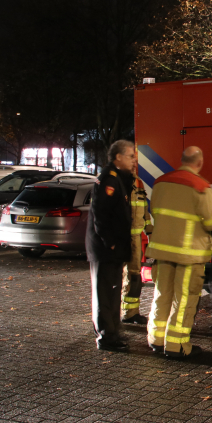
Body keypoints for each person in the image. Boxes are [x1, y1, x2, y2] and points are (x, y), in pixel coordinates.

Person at [145, 146, 212, 358]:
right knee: (184, 300)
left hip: (162, 251)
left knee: (162, 295)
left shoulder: (160, 182)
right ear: (199, 163)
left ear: (181, 160)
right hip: (188, 254)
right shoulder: (200, 186)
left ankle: (156, 339)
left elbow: (155, 211)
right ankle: (176, 346)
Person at [85, 140, 136, 352]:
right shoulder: (109, 179)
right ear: (118, 157)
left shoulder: (119, 179)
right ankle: (106, 336)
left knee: (113, 292)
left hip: (112, 249)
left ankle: (113, 332)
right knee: (105, 293)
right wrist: (112, 244)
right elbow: (101, 215)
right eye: (131, 155)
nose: (134, 160)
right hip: (106, 249)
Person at [120, 159, 153, 325]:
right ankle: (120, 312)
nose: (133, 166)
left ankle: (131, 312)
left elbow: (144, 210)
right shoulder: (116, 182)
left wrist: (149, 231)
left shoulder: (138, 183)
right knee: (117, 277)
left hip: (134, 238)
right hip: (119, 237)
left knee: (134, 277)